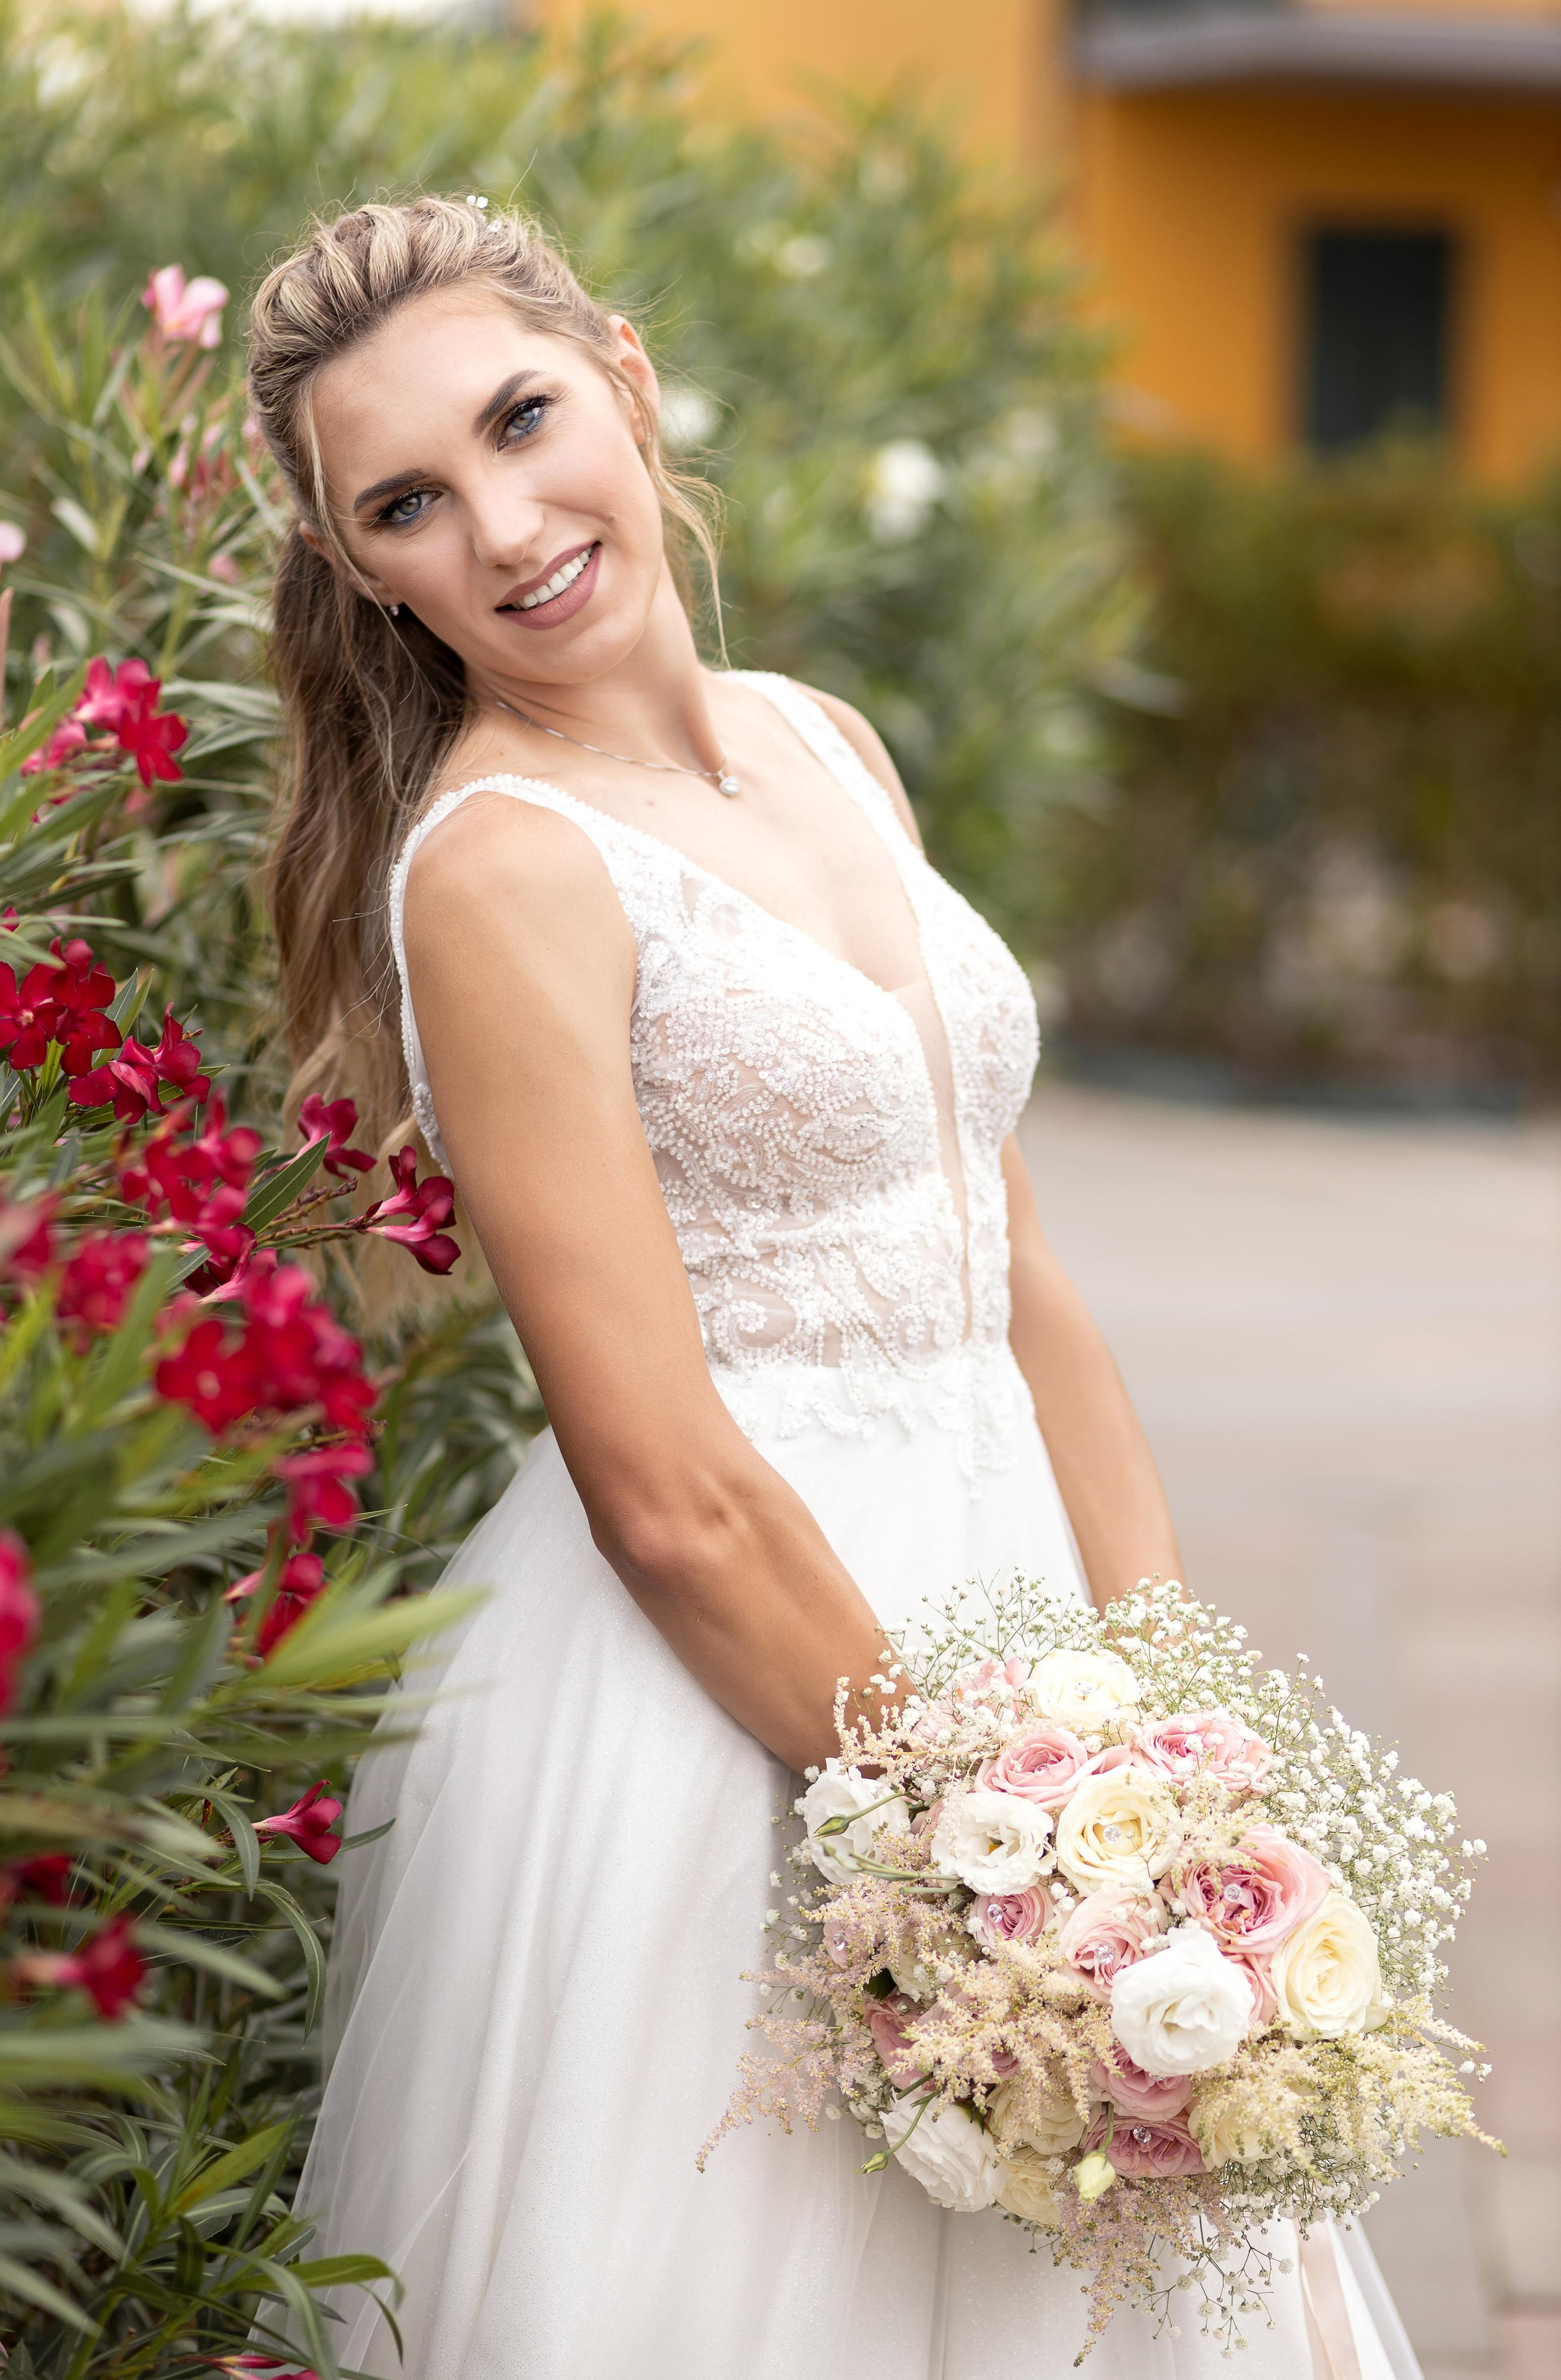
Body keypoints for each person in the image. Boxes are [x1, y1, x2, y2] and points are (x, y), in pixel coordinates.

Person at [245, 195, 1420, 2380]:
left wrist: (1167, 1716)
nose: (504, 528)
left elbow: (1020, 1265)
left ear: (623, 367)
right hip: (756, 1702)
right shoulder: (506, 871)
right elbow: (665, 1486)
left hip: (1031, 1634)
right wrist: (999, 1878)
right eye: (409, 502)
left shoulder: (824, 737)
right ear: (359, 571)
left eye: (524, 419)